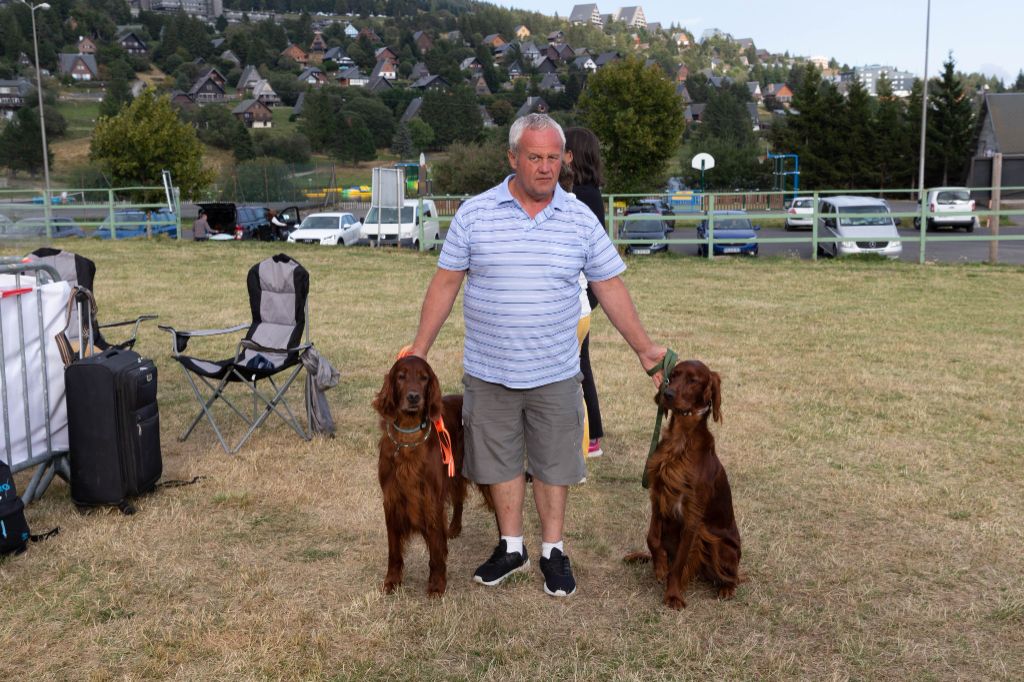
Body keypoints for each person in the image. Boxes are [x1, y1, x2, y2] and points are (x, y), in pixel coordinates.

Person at [406, 113, 665, 598]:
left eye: (552, 157)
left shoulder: (578, 218)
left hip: (554, 370)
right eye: (534, 157)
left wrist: (646, 351)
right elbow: (445, 283)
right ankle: (512, 545)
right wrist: (418, 350)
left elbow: (609, 286)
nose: (545, 167)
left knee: (553, 463)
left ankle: (552, 550)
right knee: (499, 461)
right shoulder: (475, 213)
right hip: (490, 368)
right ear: (513, 158)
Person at [564, 127, 607, 458]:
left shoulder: (581, 196)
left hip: (581, 289)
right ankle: (593, 433)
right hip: (585, 288)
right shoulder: (589, 191)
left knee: (578, 365)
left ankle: (590, 435)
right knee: (581, 362)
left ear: (572, 156)